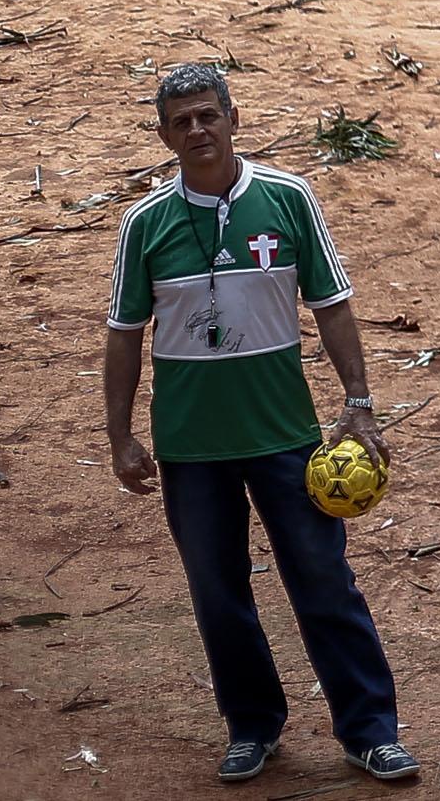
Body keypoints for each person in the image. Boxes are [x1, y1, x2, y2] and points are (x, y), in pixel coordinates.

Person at [103, 64, 420, 784]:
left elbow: (332, 304)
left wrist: (359, 401)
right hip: (191, 445)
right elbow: (123, 333)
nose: (196, 130)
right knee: (217, 592)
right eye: (180, 121)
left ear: (233, 118)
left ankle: (370, 730)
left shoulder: (288, 199)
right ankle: (253, 726)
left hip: (286, 436)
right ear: (163, 135)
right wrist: (120, 436)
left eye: (207, 115)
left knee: (323, 579)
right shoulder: (144, 224)